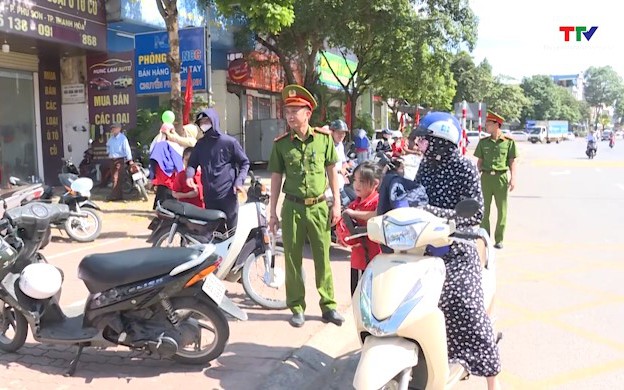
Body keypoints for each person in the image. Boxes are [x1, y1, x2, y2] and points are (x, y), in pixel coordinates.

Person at [408, 111, 502, 390]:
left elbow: (475, 215)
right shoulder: (425, 166)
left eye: (424, 141)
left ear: (441, 141)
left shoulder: (465, 168)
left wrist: (432, 212)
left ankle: (493, 380)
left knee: (466, 305)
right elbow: (417, 196)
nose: (420, 146)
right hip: (423, 244)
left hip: (458, 246)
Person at [268, 84, 344, 328]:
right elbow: (276, 178)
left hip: (319, 206)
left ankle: (329, 305)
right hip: (292, 208)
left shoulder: (324, 140)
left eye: (295, 110)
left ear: (308, 113)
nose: (290, 115)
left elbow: (332, 171)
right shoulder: (281, 144)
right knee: (292, 258)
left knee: (323, 256)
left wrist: (337, 205)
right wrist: (272, 213)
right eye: (287, 111)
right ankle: (297, 307)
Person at [186, 108, 250, 230]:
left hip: (228, 194)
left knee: (232, 231)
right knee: (214, 231)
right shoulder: (200, 144)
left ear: (214, 121)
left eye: (207, 120)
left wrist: (239, 182)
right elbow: (192, 163)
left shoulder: (229, 142)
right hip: (209, 195)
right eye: (201, 122)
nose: (204, 124)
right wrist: (189, 176)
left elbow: (244, 162)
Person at [474, 111, 518, 249]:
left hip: (501, 178)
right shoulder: (483, 143)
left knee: (502, 210)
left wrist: (513, 178)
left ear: (496, 125)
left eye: (489, 124)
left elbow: (512, 162)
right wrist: (476, 175)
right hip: (485, 178)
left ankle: (499, 239)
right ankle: (485, 237)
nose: (486, 126)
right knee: (484, 209)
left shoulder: (508, 142)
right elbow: (479, 162)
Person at [340, 162, 382, 295]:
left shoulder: (378, 202)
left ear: (375, 183)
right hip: (359, 260)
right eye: (355, 180)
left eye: (362, 181)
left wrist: (353, 214)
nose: (356, 184)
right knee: (357, 298)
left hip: (375, 259)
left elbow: (378, 215)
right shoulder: (354, 204)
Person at [149, 123, 185, 209]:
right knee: (168, 188)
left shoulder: (157, 143)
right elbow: (177, 158)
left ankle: (160, 206)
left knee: (162, 188)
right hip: (170, 171)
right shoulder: (169, 144)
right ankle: (168, 207)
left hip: (161, 170)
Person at [329, 119, 355, 206]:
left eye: (343, 133)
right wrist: (340, 170)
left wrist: (348, 169)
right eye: (339, 133)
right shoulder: (328, 145)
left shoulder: (340, 145)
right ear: (332, 132)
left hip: (341, 183)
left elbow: (343, 162)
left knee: (351, 201)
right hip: (330, 186)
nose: (341, 135)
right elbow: (325, 167)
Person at [105, 123, 133, 202]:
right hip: (112, 160)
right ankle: (118, 195)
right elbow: (108, 147)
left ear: (119, 129)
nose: (113, 129)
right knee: (115, 178)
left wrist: (130, 159)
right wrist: (109, 153)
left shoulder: (123, 138)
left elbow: (127, 149)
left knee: (116, 177)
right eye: (112, 128)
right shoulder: (111, 139)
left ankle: (113, 196)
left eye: (115, 128)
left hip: (119, 160)